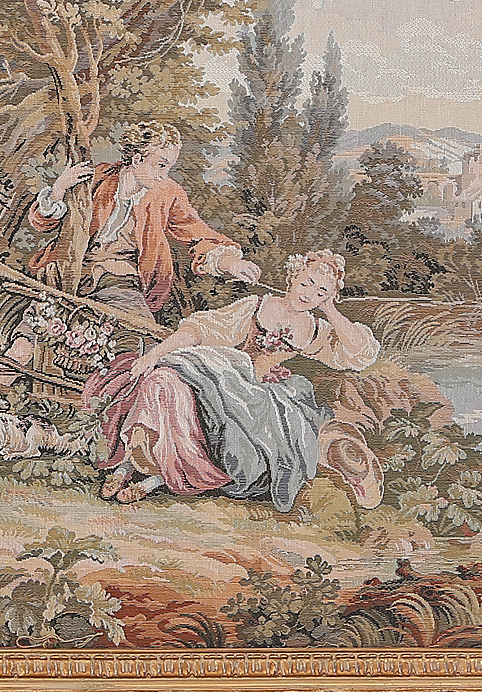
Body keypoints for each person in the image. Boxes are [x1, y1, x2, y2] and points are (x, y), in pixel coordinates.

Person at [82, 249, 383, 509]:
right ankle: (127, 467)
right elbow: (200, 330)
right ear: (293, 277)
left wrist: (329, 309)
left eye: (320, 292)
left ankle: (158, 479)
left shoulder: (316, 330)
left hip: (264, 393)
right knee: (163, 380)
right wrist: (154, 354)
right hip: (228, 375)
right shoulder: (258, 305)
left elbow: (361, 352)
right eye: (306, 283)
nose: (308, 295)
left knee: (246, 438)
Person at [28, 121, 262, 321]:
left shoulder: (168, 193)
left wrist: (231, 263)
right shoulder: (97, 177)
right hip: (68, 270)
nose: (163, 175)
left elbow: (197, 234)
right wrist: (59, 189)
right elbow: (41, 223)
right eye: (160, 165)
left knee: (135, 335)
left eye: (168, 167)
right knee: (31, 335)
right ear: (137, 158)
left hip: (120, 279)